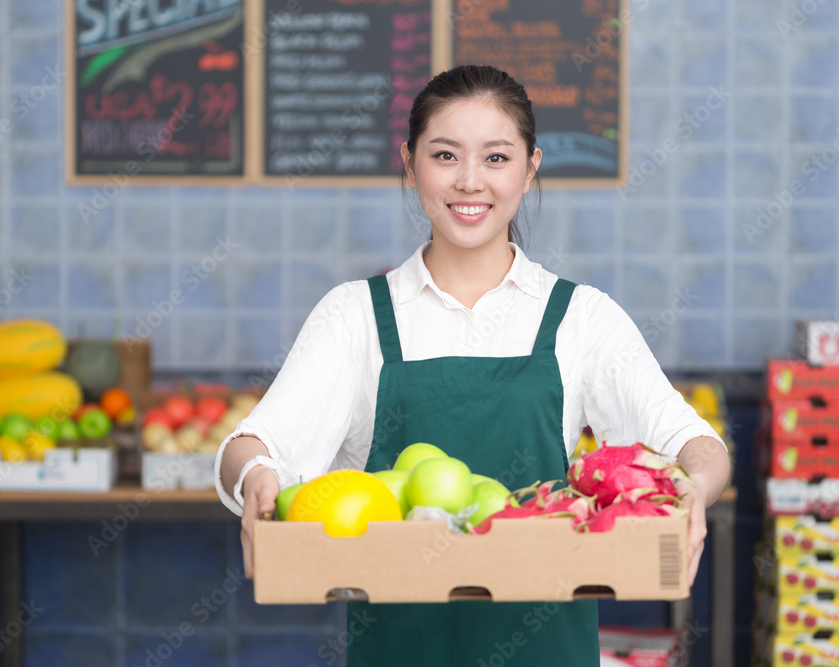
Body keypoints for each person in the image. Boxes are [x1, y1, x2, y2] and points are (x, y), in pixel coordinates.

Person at [216, 64, 731, 666]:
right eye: (444, 156)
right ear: (409, 165)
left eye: (495, 158)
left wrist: (693, 490)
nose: (468, 182)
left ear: (529, 168)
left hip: (546, 649)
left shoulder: (579, 317)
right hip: (399, 650)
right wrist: (254, 477)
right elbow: (255, 443)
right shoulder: (356, 315)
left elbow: (691, 441)